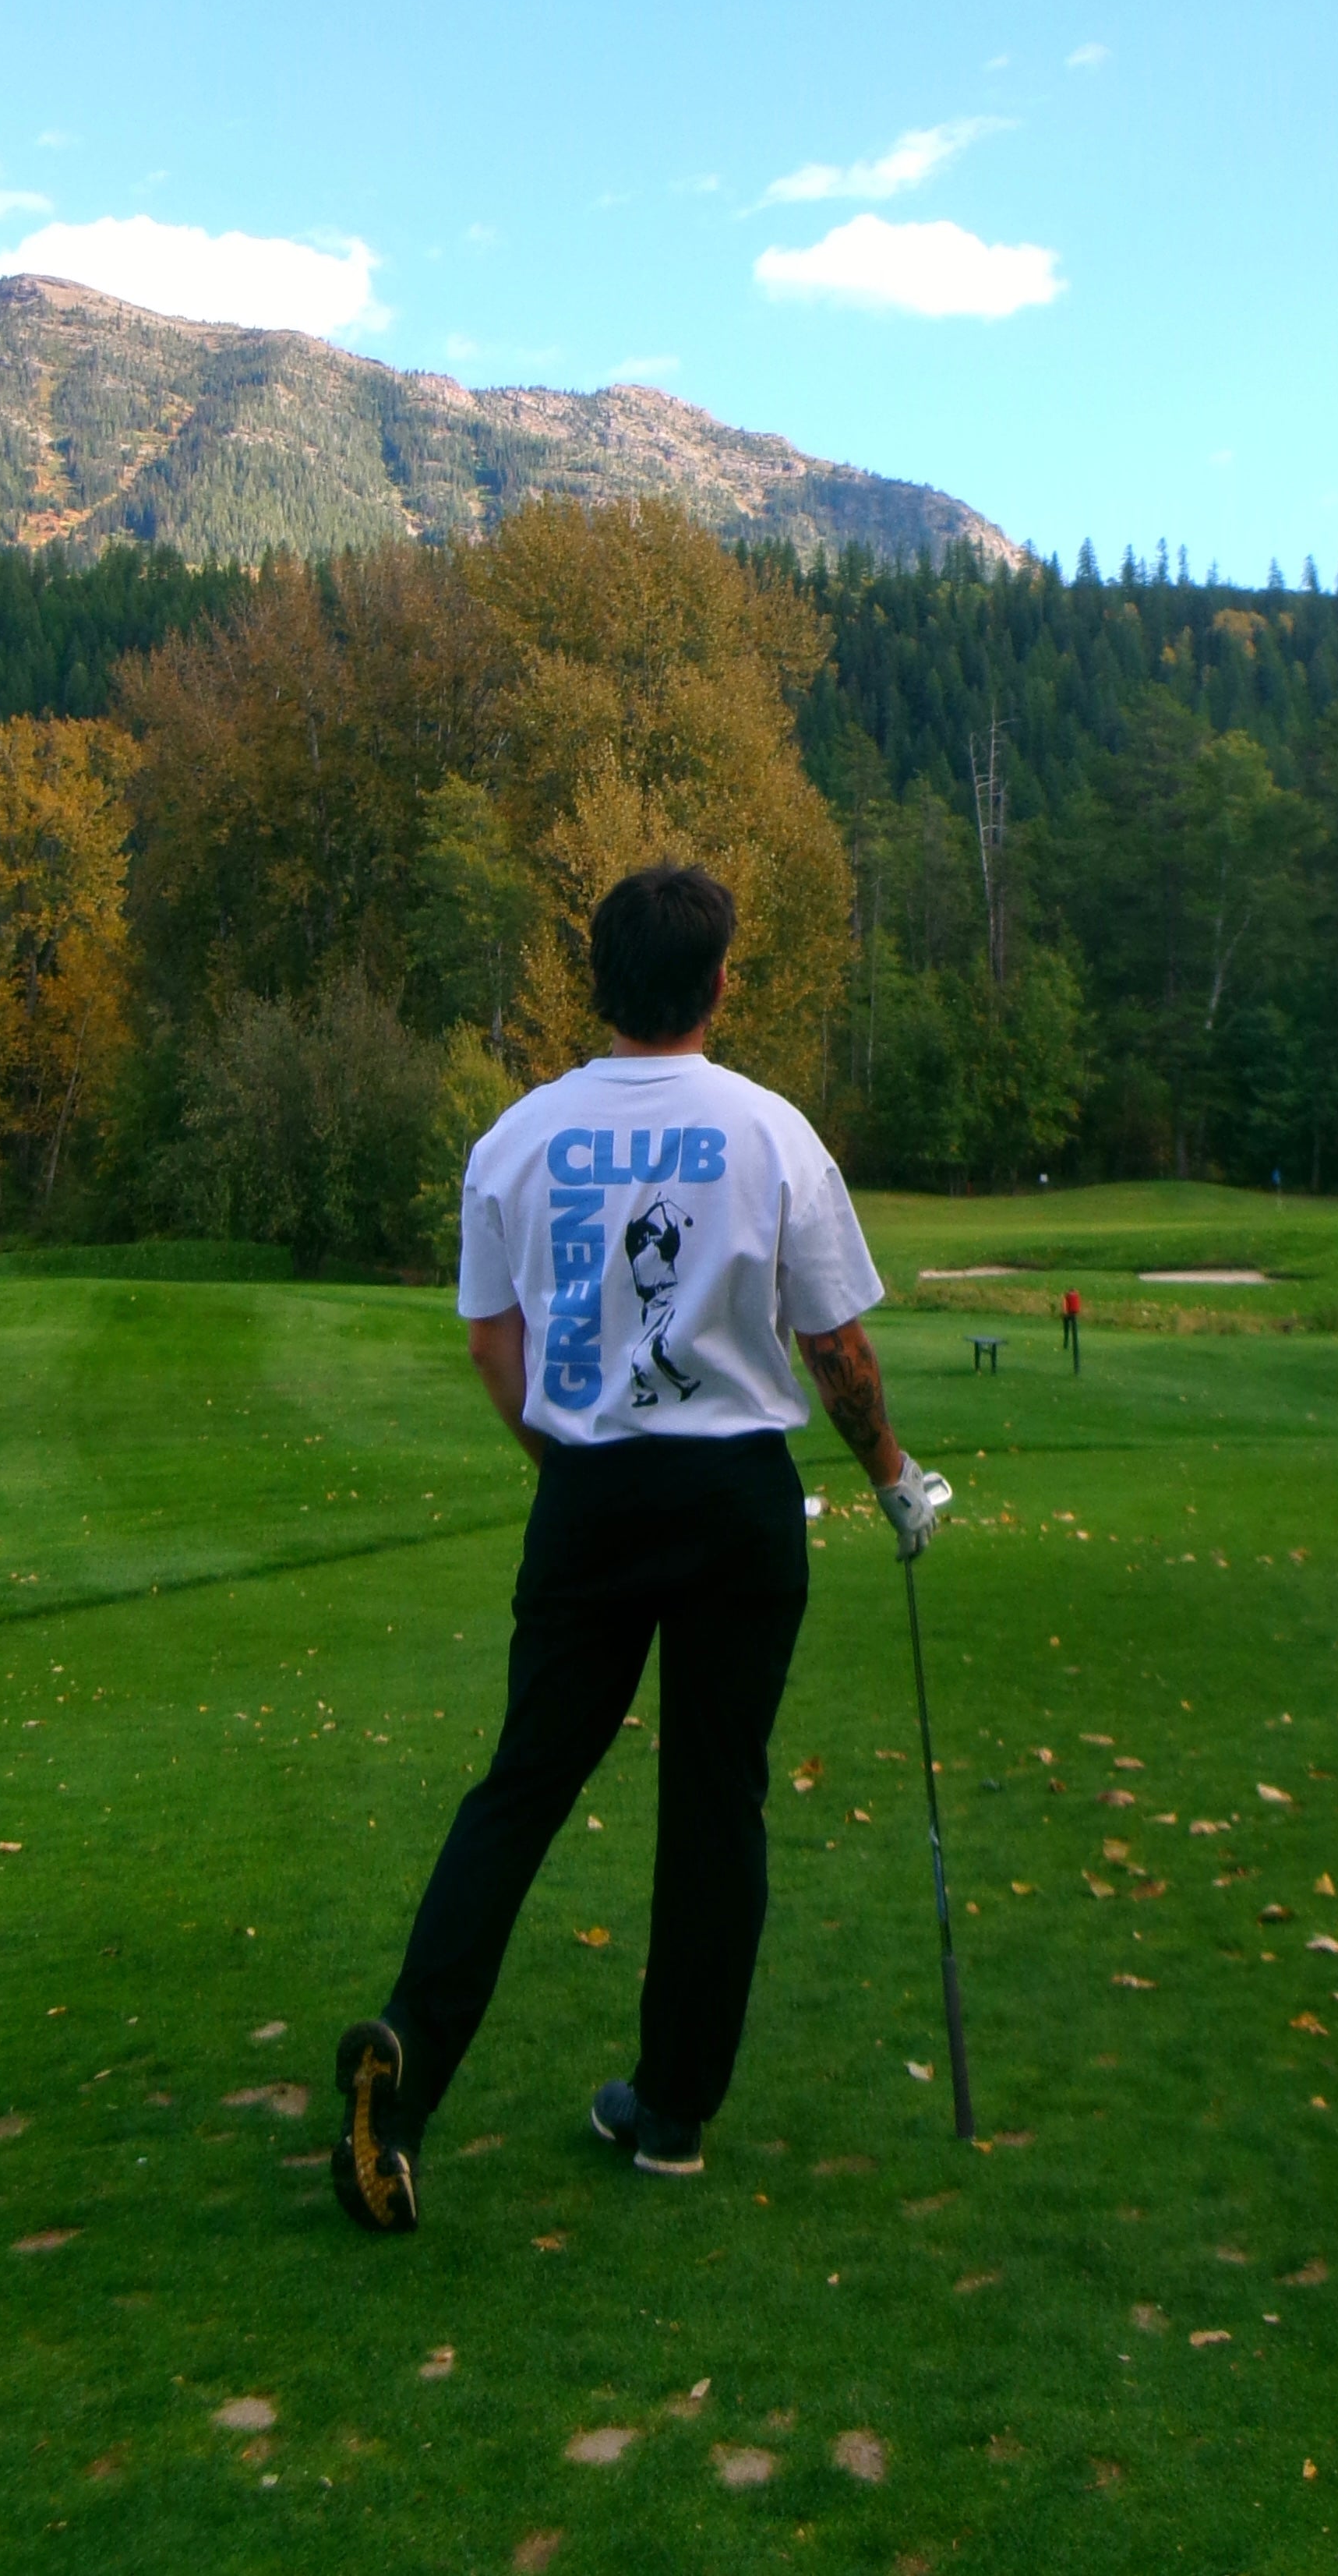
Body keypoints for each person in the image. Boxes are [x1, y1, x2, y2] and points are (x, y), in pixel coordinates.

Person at [330, 861, 940, 2232]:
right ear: (720, 983)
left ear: (595, 981)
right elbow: (835, 1349)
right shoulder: (771, 1132)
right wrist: (895, 1480)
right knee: (716, 1802)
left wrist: (565, 1466)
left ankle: (408, 2069)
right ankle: (671, 2114)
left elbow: (494, 1344)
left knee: (523, 1788)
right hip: (736, 1503)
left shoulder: (518, 1140)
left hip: (591, 1495)